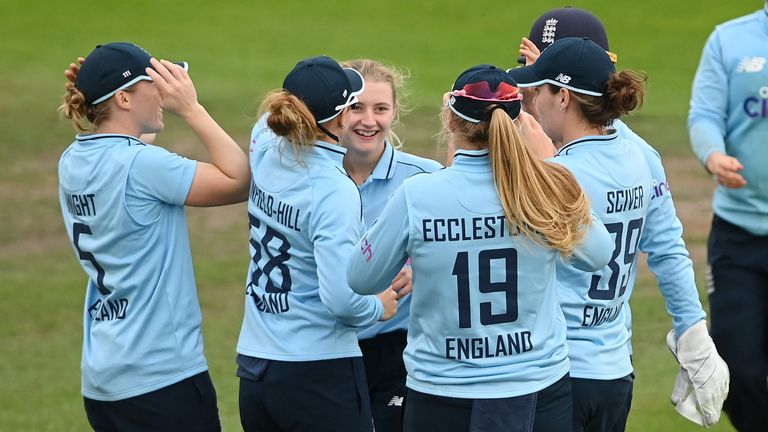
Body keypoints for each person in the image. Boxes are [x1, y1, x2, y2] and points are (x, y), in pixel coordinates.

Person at [347, 64, 614, 432]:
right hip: (535, 388)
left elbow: (360, 278)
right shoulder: (546, 186)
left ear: (450, 120)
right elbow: (599, 255)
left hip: (442, 390)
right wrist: (548, 167)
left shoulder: (418, 194)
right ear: (518, 120)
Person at [514, 6, 730, 429]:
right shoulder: (637, 154)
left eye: (539, 76)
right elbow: (668, 248)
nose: (530, 90)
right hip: (612, 368)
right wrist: (692, 331)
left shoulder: (549, 167)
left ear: (565, 92)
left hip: (552, 372)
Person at [58, 42, 250, 431]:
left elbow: (129, 147)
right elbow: (238, 180)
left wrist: (98, 86)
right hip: (161, 379)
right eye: (154, 83)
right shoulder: (141, 166)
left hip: (105, 383)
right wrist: (192, 109)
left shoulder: (74, 159)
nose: (165, 91)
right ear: (124, 98)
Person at [235, 55, 398, 432]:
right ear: (341, 119)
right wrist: (379, 306)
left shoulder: (264, 141)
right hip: (318, 376)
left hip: (255, 368)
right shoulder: (333, 190)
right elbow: (342, 300)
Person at [340, 59, 442, 432]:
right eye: (356, 107)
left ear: (395, 112)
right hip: (328, 346)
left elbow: (460, 248)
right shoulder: (315, 176)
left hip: (394, 350)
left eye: (380, 108)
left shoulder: (425, 177)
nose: (369, 120)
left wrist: (420, 269)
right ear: (338, 111)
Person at [689, 3, 768, 430]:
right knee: (738, 372)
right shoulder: (729, 39)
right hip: (739, 234)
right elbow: (705, 114)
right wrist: (713, 155)